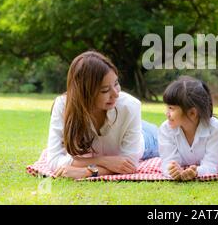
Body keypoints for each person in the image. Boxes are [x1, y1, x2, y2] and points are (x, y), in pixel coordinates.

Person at [46, 50, 159, 179]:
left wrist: (87, 172)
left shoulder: (130, 106)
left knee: (172, 141)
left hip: (148, 139)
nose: (116, 94)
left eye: (116, 83)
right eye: (105, 90)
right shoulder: (63, 106)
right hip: (122, 134)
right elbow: (54, 159)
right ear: (84, 94)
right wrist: (104, 161)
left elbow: (128, 165)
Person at [158, 76, 218, 180]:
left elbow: (211, 165)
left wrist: (196, 172)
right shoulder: (166, 129)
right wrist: (173, 171)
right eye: (167, 107)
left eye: (171, 108)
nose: (166, 113)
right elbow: (168, 162)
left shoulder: (215, 129)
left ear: (192, 113)